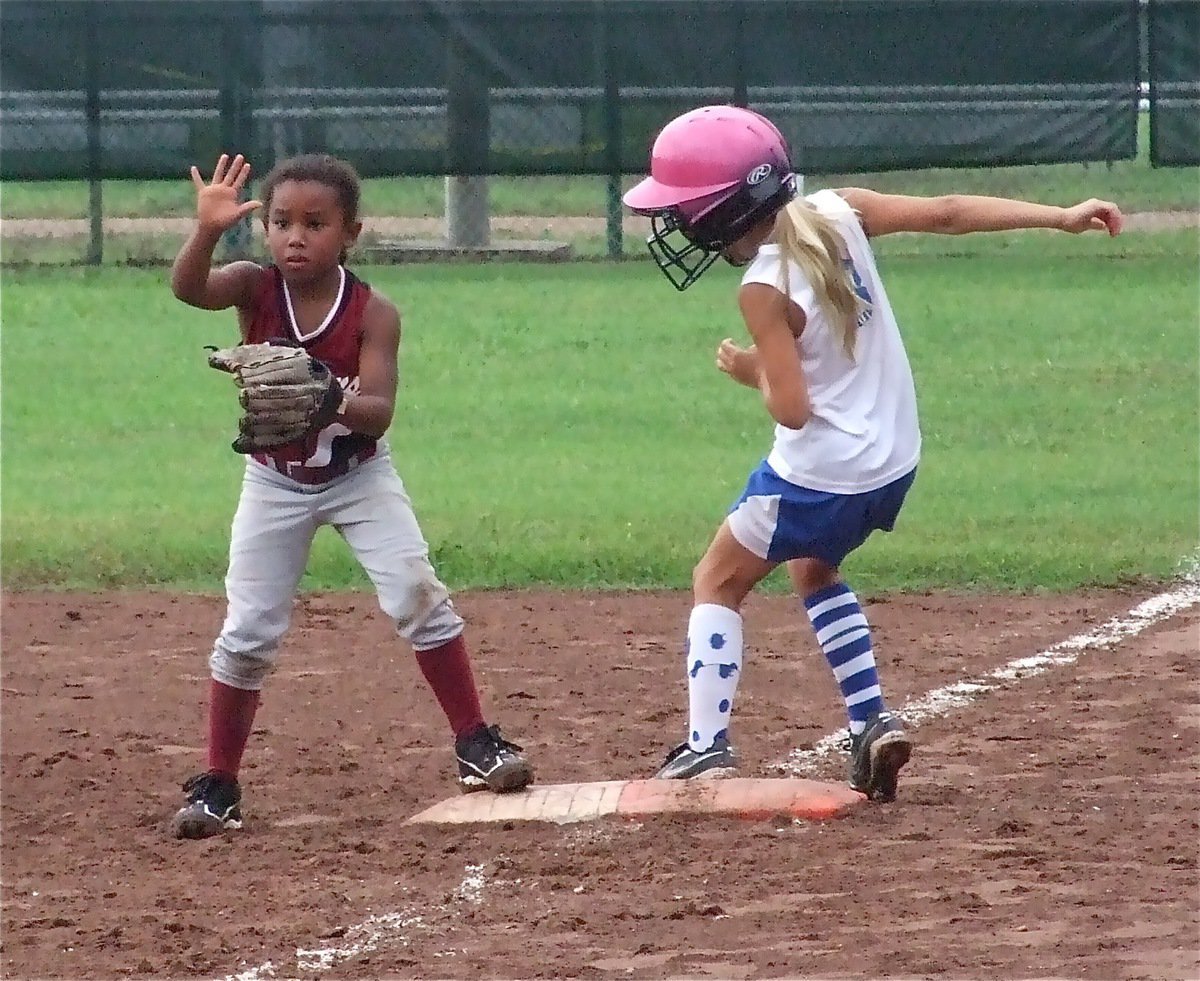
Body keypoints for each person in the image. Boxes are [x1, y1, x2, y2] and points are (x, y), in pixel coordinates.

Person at [623, 105, 1123, 801]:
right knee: (813, 566)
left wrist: (753, 373)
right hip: (892, 462)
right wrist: (1060, 216)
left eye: (684, 209)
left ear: (723, 213)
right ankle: (871, 723)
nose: (678, 222)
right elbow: (948, 211)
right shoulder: (838, 209)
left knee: (717, 578)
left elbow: (791, 410)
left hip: (821, 472)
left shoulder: (761, 287)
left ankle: (706, 747)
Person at [167, 152, 534, 838]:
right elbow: (189, 289)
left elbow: (379, 411)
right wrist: (208, 231)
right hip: (275, 481)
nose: (294, 236)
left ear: (351, 234)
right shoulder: (254, 286)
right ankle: (218, 781)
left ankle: (476, 742)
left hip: (359, 477)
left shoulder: (374, 313)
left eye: (315, 222)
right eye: (280, 222)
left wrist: (325, 390)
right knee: (248, 631)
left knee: (417, 593)